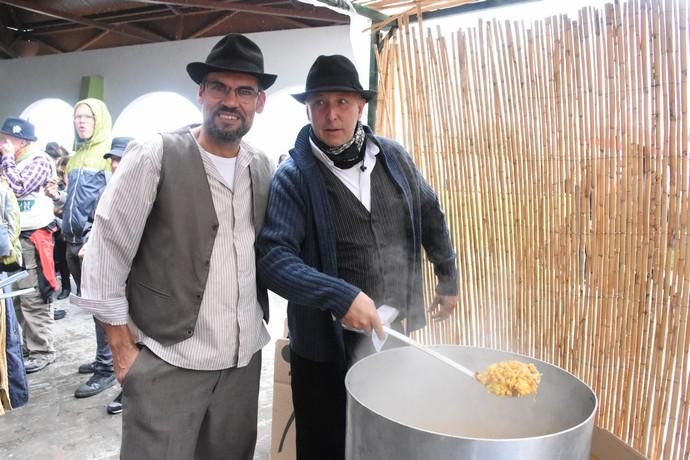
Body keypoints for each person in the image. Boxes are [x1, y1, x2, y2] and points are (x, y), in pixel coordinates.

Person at [71, 33, 276, 458]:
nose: (230, 101)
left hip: (241, 365)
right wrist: (123, 352)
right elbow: (107, 249)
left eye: (244, 91)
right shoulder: (156, 154)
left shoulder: (261, 165)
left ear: (260, 102)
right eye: (219, 86)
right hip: (167, 360)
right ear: (200, 92)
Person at [256, 55, 459, 460]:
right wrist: (339, 295)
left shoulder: (394, 157)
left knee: (388, 440)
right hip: (323, 350)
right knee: (327, 445)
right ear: (309, 108)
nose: (330, 115)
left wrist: (447, 275)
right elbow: (274, 259)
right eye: (319, 103)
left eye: (342, 102)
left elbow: (429, 210)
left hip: (391, 338)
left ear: (360, 106)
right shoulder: (294, 176)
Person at [63, 98, 116, 398]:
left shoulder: (107, 156)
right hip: (70, 243)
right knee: (92, 309)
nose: (81, 121)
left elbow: (109, 205)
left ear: (99, 120)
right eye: (77, 116)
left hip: (90, 246)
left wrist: (91, 239)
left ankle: (107, 369)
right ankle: (102, 359)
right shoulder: (74, 158)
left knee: (101, 308)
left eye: (87, 117)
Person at [0, 117, 60, 374]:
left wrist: (8, 158)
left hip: (32, 236)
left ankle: (42, 349)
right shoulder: (11, 161)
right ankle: (27, 345)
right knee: (16, 297)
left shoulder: (38, 160)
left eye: (6, 139)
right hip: (14, 238)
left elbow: (19, 187)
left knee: (33, 295)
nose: (2, 144)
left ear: (21, 141)